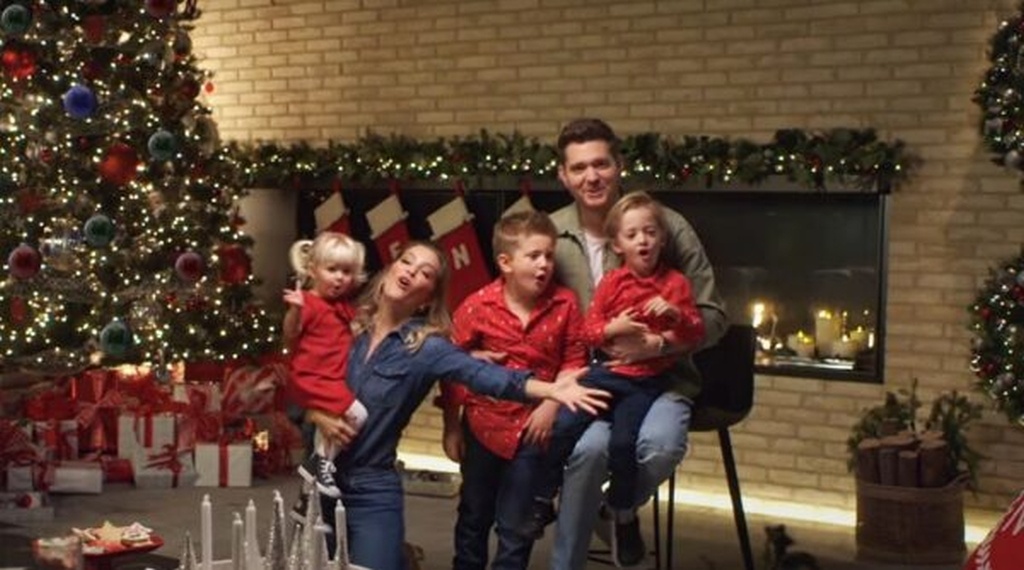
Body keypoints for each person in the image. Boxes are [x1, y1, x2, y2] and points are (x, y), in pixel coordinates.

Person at [307, 240, 610, 570]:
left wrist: (549, 390)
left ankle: (399, 557)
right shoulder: (343, 324)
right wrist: (315, 411)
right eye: (406, 261)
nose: (411, 271)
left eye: (425, 273)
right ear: (390, 270)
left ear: (428, 298)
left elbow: (488, 377)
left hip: (371, 485)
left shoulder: (427, 348)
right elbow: (304, 370)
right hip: (321, 475)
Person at [548, 118, 728, 570]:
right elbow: (529, 311)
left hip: (662, 378)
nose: (592, 177)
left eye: (601, 164)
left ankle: (618, 506)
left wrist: (660, 344)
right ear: (563, 176)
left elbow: (714, 317)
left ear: (619, 165)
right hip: (589, 380)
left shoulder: (664, 226)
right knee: (587, 453)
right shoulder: (551, 233)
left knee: (660, 447)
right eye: (579, 168)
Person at [521, 191, 705, 567]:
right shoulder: (612, 282)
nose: (643, 241)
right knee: (564, 425)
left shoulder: (675, 284)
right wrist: (612, 329)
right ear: (617, 245)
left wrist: (673, 319)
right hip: (606, 374)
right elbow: (589, 332)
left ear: (662, 238)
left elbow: (696, 331)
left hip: (645, 382)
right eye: (632, 234)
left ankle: (622, 513)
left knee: (624, 443)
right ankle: (542, 498)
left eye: (650, 232)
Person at [438, 211, 587, 570]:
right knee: (473, 515)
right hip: (482, 425)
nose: (544, 264)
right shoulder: (477, 305)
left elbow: (575, 359)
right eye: (533, 256)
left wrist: (550, 405)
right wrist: (452, 426)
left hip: (534, 431)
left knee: (516, 526)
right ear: (506, 262)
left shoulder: (565, 303)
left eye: (548, 255)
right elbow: (452, 367)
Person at [282, 232, 369, 501]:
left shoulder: (342, 306)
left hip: (331, 377)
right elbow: (291, 332)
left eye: (346, 271)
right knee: (358, 414)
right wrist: (295, 310)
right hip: (315, 378)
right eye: (332, 270)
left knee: (333, 424)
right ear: (313, 270)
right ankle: (320, 464)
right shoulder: (309, 302)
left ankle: (318, 466)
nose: (340, 277)